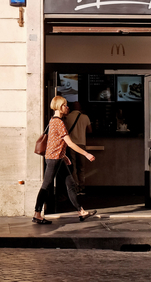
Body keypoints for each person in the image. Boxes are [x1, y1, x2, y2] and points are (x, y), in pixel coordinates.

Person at [33, 95, 97, 224]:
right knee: (46, 186)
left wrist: (64, 156)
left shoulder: (54, 120)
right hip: (54, 159)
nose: (68, 107)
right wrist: (86, 154)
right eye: (65, 105)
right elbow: (70, 143)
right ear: (60, 107)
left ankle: (81, 211)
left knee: (71, 184)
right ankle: (37, 214)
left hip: (57, 158)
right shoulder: (59, 122)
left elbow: (55, 142)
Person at [65, 101, 92, 194]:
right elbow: (89, 130)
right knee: (81, 167)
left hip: (70, 144)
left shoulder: (67, 117)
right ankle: (82, 186)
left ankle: (75, 186)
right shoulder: (85, 117)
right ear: (80, 108)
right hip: (81, 143)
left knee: (73, 167)